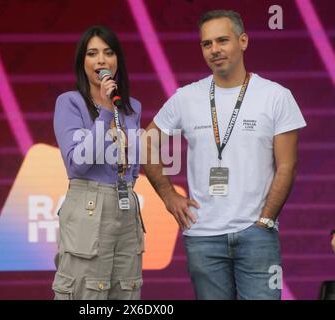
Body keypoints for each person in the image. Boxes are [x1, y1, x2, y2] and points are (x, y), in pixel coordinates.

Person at [142, 10, 306, 299]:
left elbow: (287, 166)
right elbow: (147, 143)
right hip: (203, 237)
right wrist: (168, 195)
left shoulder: (276, 96)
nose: (215, 50)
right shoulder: (186, 97)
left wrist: (266, 220)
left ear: (243, 41)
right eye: (207, 44)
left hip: (257, 234)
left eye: (222, 40)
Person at [52, 25, 144, 300]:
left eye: (108, 52)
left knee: (127, 291)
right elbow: (77, 163)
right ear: (83, 62)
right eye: (93, 53)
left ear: (118, 61)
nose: (102, 60)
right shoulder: (69, 103)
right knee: (86, 291)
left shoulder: (132, 107)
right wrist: (104, 111)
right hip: (89, 205)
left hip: (126, 207)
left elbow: (134, 162)